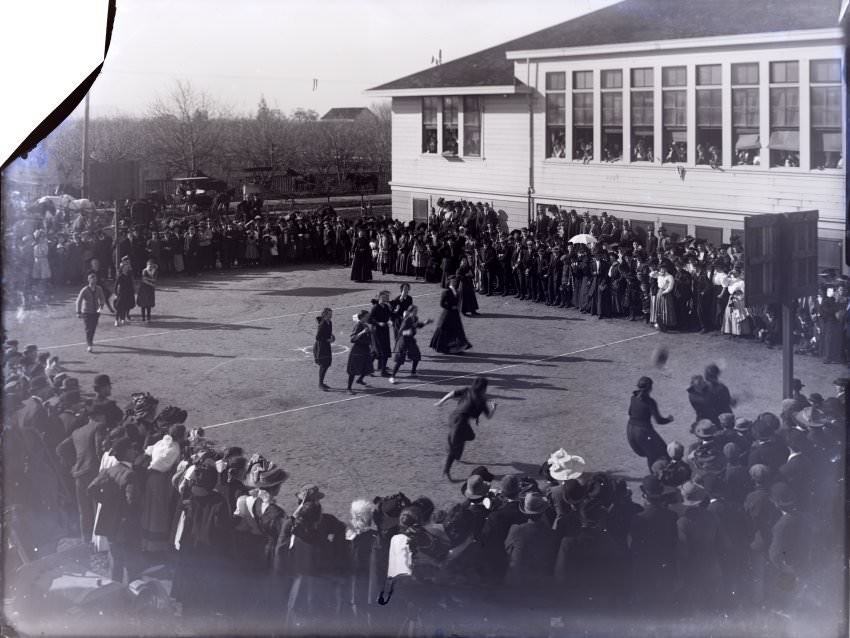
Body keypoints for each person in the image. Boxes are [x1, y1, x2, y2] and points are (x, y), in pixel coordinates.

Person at [87, 437, 142, 584]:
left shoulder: (108, 471)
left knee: (115, 559)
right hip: (126, 524)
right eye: (132, 449)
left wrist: (106, 502)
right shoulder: (130, 474)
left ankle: (114, 591)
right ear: (126, 453)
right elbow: (131, 501)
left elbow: (91, 489)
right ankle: (132, 595)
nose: (134, 451)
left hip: (109, 521)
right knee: (131, 562)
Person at [435, 376, 496, 479]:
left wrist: (441, 402)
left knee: (469, 436)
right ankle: (446, 470)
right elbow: (489, 416)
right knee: (454, 448)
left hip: (453, 418)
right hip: (460, 423)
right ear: (484, 388)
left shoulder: (468, 390)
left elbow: (452, 393)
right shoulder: (481, 400)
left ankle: (453, 445)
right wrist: (494, 408)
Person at [626, 377, 673, 470]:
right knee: (659, 451)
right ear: (650, 388)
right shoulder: (650, 402)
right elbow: (659, 421)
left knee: (650, 452)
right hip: (643, 431)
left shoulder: (633, 398)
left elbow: (629, 412)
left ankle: (654, 477)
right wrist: (669, 419)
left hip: (630, 429)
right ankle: (658, 476)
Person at [388, 306, 431, 384]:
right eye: (414, 311)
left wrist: (425, 323)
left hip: (411, 340)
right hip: (403, 341)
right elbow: (400, 332)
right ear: (410, 311)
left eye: (416, 311)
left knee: (416, 355)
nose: (416, 312)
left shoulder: (415, 318)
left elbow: (417, 325)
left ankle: (413, 372)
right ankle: (392, 377)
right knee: (400, 360)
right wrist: (408, 332)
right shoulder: (407, 320)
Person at [429, 277, 472, 354]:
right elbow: (442, 304)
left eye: (455, 281)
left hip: (455, 314)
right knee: (445, 330)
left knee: (457, 330)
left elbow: (458, 302)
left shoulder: (457, 291)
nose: (454, 283)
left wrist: (457, 309)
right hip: (447, 314)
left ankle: (457, 348)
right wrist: (450, 307)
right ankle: (444, 348)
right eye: (453, 281)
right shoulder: (446, 292)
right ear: (449, 282)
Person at [76, 271, 106, 353]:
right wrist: (78, 312)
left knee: (93, 327)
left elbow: (102, 299)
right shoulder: (85, 290)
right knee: (88, 328)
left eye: (95, 278)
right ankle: (89, 344)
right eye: (91, 278)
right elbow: (79, 300)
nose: (93, 280)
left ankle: (90, 340)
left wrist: (100, 308)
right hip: (86, 312)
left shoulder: (99, 288)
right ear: (88, 280)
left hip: (96, 312)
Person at [346, 310, 374, 395]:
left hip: (365, 349)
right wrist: (362, 332)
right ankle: (348, 388)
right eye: (367, 316)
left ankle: (360, 380)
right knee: (353, 370)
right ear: (362, 317)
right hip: (357, 351)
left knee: (367, 366)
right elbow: (352, 339)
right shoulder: (358, 325)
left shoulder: (365, 325)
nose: (368, 318)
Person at [368, 291, 394, 376]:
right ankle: (382, 371)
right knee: (382, 351)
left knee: (378, 352)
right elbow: (369, 320)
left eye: (387, 297)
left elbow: (389, 316)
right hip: (377, 332)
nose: (386, 298)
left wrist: (390, 320)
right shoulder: (375, 307)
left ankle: (368, 368)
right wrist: (378, 323)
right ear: (379, 298)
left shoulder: (386, 307)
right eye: (384, 297)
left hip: (385, 330)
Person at [313, 308, 335, 391]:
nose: (331, 315)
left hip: (326, 345)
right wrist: (327, 340)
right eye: (329, 314)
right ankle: (320, 383)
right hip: (321, 346)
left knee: (326, 363)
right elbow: (317, 337)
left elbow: (328, 333)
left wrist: (332, 337)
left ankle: (321, 382)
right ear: (325, 315)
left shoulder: (329, 323)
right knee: (324, 364)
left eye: (331, 314)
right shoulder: (323, 324)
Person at [113, 261, 136, 327]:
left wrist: (133, 292)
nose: (126, 269)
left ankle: (123, 319)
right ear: (122, 268)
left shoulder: (129, 276)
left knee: (126, 306)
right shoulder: (120, 276)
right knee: (119, 307)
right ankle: (116, 320)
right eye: (125, 267)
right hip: (121, 293)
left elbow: (131, 285)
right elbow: (116, 285)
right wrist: (115, 294)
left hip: (128, 293)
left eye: (127, 267)